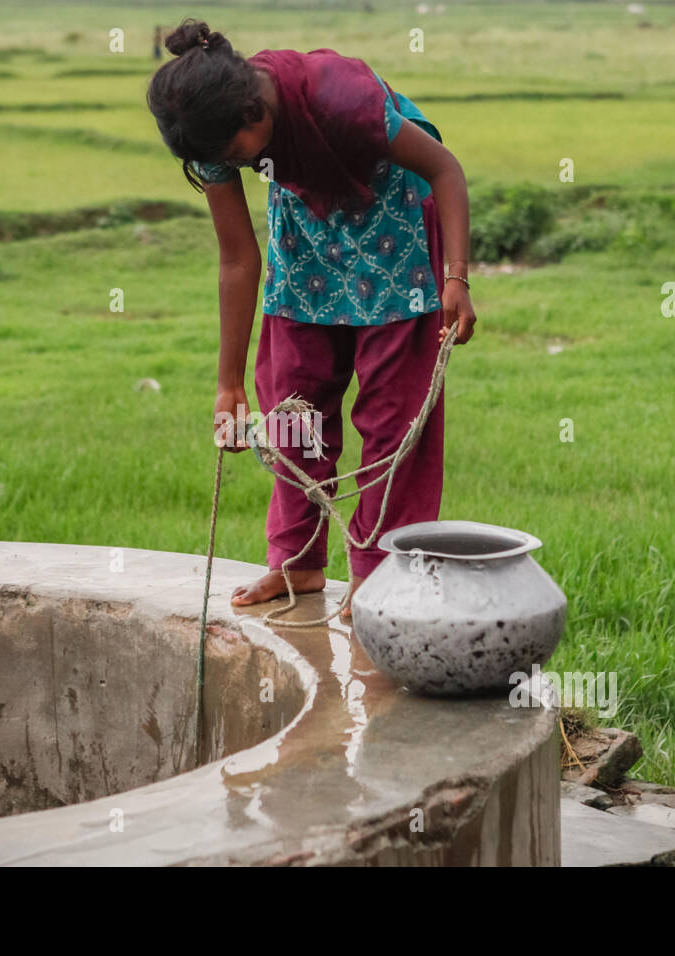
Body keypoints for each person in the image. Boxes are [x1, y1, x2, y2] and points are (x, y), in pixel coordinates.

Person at [147, 18, 476, 619]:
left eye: (236, 156)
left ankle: (379, 575)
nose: (233, 166)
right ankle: (298, 565)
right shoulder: (217, 129)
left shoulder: (341, 100)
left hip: (394, 235)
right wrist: (228, 383)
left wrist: (456, 278)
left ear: (255, 113)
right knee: (293, 411)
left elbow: (445, 169)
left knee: (394, 421)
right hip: (306, 244)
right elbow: (237, 259)